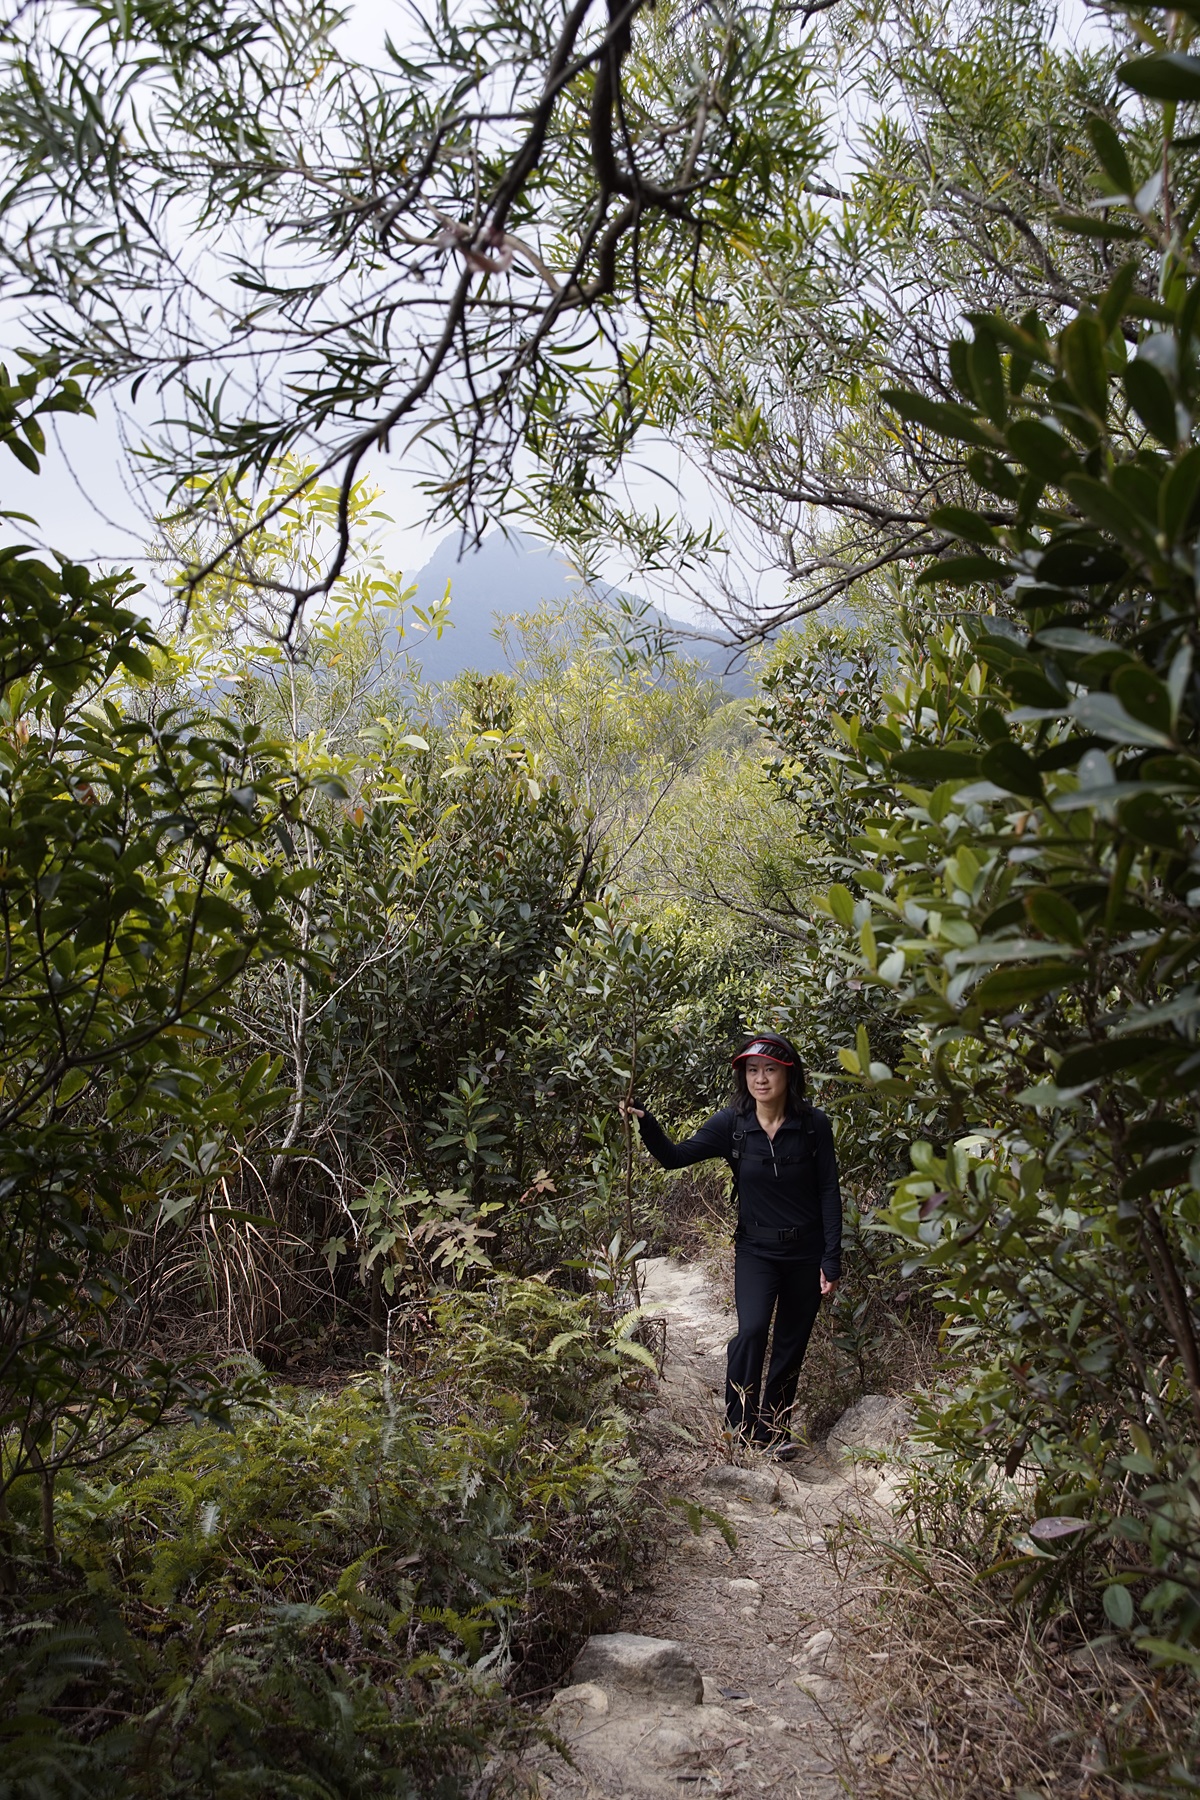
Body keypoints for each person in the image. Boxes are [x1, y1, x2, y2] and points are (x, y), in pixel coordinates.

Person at [623, 1032, 841, 1455]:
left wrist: (831, 1257)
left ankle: (773, 1434)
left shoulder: (814, 1125)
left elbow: (829, 1191)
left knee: (791, 1344)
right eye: (752, 1070)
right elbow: (674, 1157)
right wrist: (646, 1121)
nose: (761, 1079)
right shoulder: (732, 1124)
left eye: (770, 1069)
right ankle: (739, 1430)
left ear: (789, 1074)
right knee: (752, 1331)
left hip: (806, 1252)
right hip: (756, 1250)